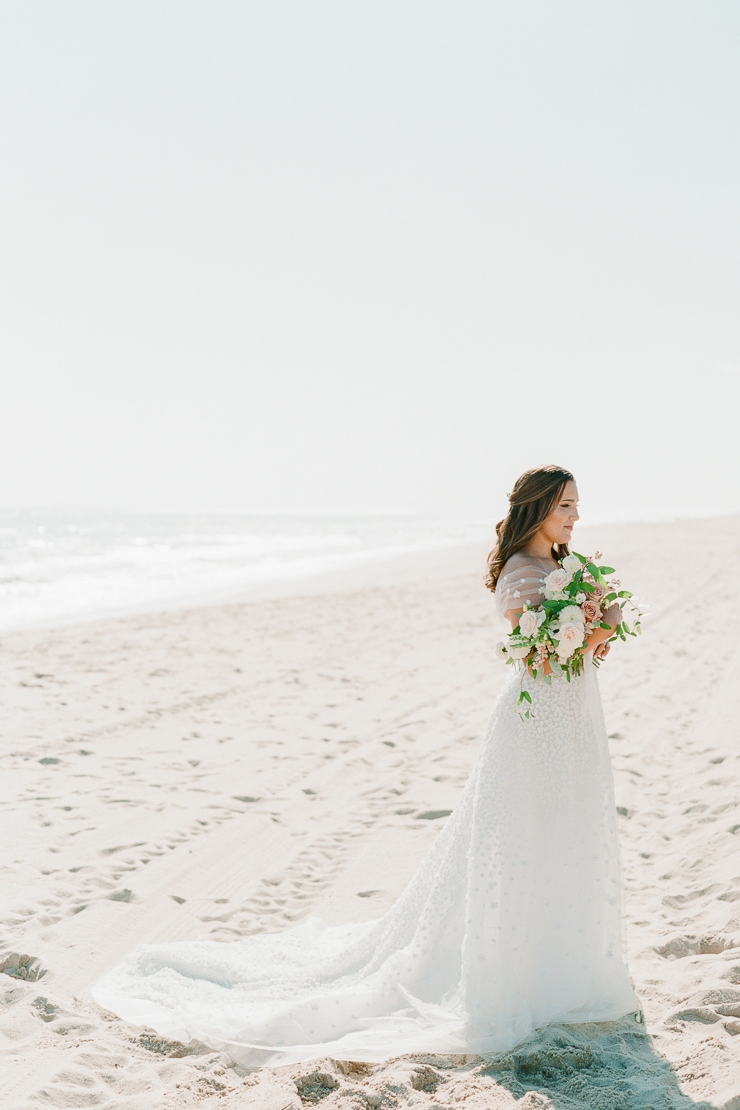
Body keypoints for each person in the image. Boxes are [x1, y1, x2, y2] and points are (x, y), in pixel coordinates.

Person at [92, 464, 638, 1065]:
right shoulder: (521, 573)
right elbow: (540, 661)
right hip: (536, 726)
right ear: (538, 510)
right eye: (566, 507)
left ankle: (563, 960)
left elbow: (576, 653)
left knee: (568, 830)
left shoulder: (569, 569)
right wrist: (590, 631)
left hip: (575, 717)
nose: (576, 517)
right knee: (522, 836)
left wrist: (597, 628)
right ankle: (515, 969)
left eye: (577, 506)